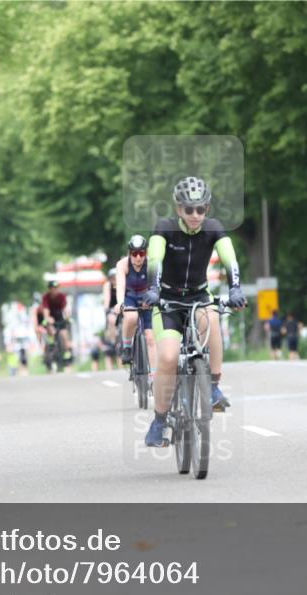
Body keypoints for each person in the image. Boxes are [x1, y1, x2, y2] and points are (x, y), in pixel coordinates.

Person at [142, 176, 246, 447]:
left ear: (207, 209)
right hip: (166, 301)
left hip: (199, 296)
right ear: (179, 209)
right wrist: (153, 289)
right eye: (189, 209)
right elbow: (154, 259)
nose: (195, 215)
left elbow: (230, 259)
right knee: (167, 358)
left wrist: (235, 288)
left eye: (201, 209)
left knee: (212, 316)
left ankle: (212, 386)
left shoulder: (213, 229)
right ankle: (159, 421)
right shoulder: (164, 228)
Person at [114, 235, 156, 372]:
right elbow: (120, 285)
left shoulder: (151, 264)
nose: (138, 257)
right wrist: (120, 303)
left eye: (141, 253)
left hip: (146, 298)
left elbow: (155, 286)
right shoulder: (122, 264)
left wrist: (153, 299)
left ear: (146, 253)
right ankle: (126, 346)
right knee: (131, 317)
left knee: (150, 338)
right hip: (129, 297)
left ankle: (154, 376)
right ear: (129, 253)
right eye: (134, 253)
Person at [41, 280, 73, 366]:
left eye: (56, 288)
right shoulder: (46, 297)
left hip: (59, 318)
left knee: (65, 335)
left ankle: (67, 353)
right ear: (49, 289)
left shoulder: (62, 296)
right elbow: (45, 310)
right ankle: (51, 342)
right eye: (53, 288)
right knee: (50, 328)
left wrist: (67, 317)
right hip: (50, 317)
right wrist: (47, 318)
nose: (55, 290)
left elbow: (65, 309)